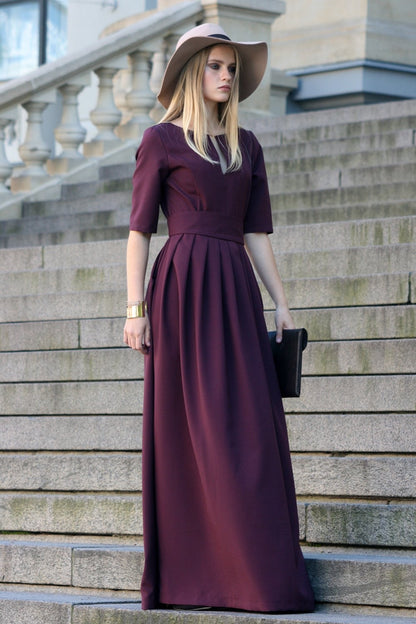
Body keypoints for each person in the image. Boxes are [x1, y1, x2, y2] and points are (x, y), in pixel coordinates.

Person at [123, 22, 314, 613]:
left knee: (250, 428)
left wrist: (281, 303)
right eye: (216, 66)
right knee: (188, 430)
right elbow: (139, 232)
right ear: (192, 73)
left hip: (234, 287)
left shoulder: (247, 146)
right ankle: (194, 576)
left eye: (232, 68)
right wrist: (134, 310)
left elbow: (257, 233)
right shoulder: (160, 141)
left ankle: (255, 575)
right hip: (181, 291)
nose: (227, 76)